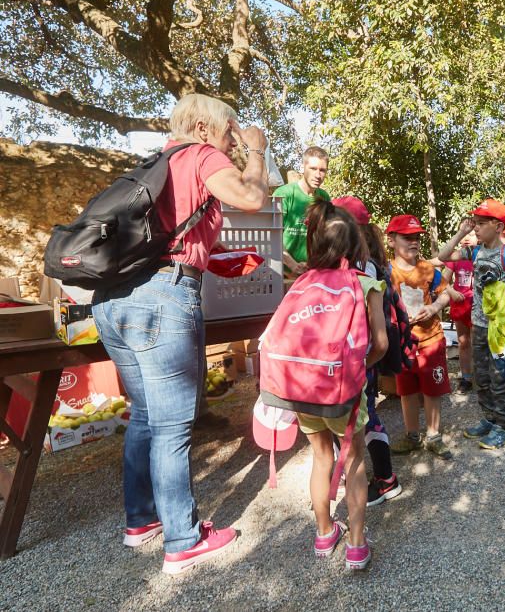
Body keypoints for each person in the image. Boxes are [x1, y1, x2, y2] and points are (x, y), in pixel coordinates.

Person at [91, 93, 268, 574]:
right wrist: (256, 151)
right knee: (171, 426)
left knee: (146, 415)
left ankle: (140, 521)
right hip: (161, 299)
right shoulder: (202, 154)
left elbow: (188, 239)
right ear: (206, 128)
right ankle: (183, 541)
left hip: (111, 303)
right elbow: (254, 199)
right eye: (230, 130)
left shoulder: (156, 164)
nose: (233, 139)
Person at [262, 201, 387, 569]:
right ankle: (356, 544)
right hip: (344, 394)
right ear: (355, 246)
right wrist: (357, 367)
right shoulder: (366, 284)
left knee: (320, 458)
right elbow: (380, 344)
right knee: (354, 462)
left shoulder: (301, 283)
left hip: (301, 388)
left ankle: (323, 533)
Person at [439, 199, 505, 449]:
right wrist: (462, 231)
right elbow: (442, 256)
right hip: (478, 324)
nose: (476, 228)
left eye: (481, 224)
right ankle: (489, 418)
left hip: (500, 328)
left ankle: (503, 426)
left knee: (499, 376)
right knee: (481, 376)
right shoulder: (474, 251)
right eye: (475, 224)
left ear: (498, 226)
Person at [333, 196, 403, 507]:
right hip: (357, 357)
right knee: (358, 415)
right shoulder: (361, 263)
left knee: (366, 415)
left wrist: (365, 360)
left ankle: (386, 478)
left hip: (360, 357)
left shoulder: (364, 268)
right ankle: (354, 472)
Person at [384, 214, 454, 460]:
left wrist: (434, 308)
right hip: (403, 343)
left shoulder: (427, 268)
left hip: (431, 340)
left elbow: (444, 293)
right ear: (391, 240)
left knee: (432, 390)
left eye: (417, 238)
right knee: (407, 391)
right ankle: (412, 435)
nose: (413, 242)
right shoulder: (385, 271)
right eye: (407, 238)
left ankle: (433, 436)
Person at [273, 147, 331, 280]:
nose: (318, 175)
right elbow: (272, 237)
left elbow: (324, 237)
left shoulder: (324, 198)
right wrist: (292, 265)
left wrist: (314, 264)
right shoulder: (284, 194)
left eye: (322, 170)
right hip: (281, 274)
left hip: (311, 274)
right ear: (302, 167)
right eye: (313, 168)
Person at [442, 231, 477, 393]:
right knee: (463, 342)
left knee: (481, 343)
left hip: (480, 306)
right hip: (460, 304)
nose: (467, 238)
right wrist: (451, 292)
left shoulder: (484, 255)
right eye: (464, 234)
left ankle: (485, 376)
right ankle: (466, 378)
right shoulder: (455, 258)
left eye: (471, 234)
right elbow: (442, 280)